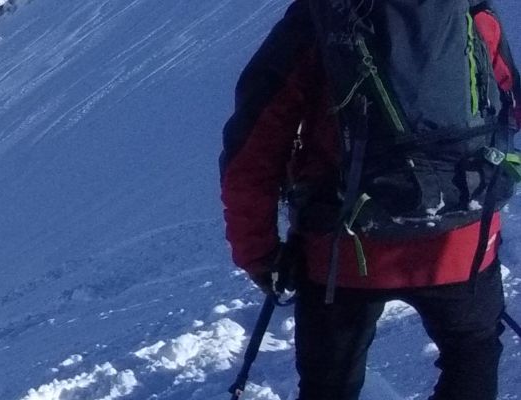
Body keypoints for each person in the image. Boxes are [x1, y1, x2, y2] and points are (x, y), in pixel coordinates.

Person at [221, 1, 516, 398]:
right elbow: (506, 105)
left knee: (330, 383)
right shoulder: (467, 9)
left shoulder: (319, 18)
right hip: (462, 235)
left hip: (344, 246)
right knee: (470, 354)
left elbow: (253, 148)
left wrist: (259, 255)